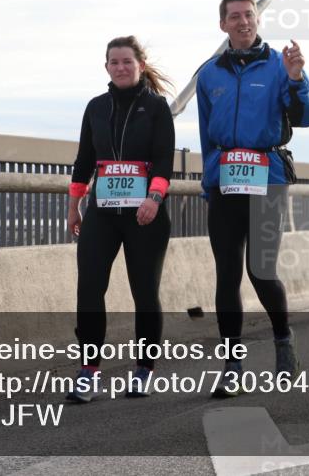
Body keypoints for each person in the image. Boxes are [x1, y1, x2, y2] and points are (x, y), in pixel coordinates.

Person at [196, 0, 309, 397]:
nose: (243, 22)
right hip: (225, 181)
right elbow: (205, 136)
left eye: (249, 15)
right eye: (234, 16)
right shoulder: (209, 73)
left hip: (266, 177)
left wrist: (296, 78)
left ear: (257, 20)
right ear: (223, 24)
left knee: (261, 269)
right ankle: (231, 364)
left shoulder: (279, 64)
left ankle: (284, 341)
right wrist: (208, 181)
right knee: (227, 274)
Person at [66, 36, 176, 403]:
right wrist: (74, 204)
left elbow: (163, 160)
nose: (121, 67)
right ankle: (89, 370)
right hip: (103, 212)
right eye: (114, 62)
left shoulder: (156, 107)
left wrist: (154, 198)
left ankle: (144, 369)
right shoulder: (96, 107)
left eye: (127, 61)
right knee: (89, 287)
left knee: (144, 293)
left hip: (144, 214)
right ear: (107, 67)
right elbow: (83, 161)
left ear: (140, 65)